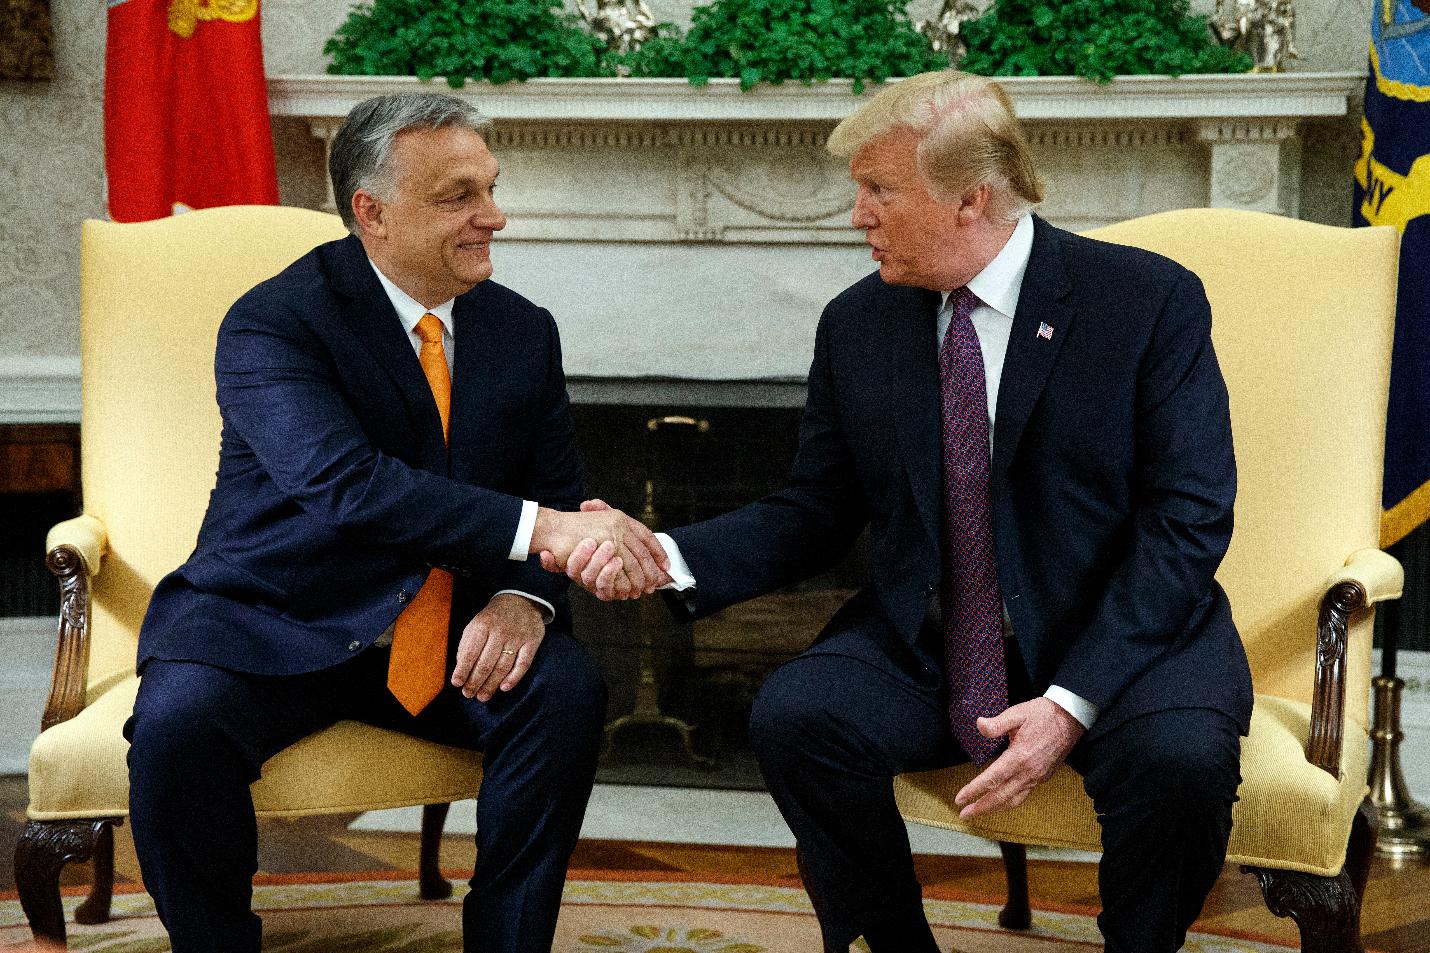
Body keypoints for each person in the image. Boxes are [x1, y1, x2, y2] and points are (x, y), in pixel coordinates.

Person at [547, 70, 1253, 953]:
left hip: (1122, 638)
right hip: (937, 642)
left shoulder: (1146, 302)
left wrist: (1071, 700)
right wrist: (665, 553)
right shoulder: (859, 324)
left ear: (972, 198)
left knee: (1179, 765)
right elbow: (814, 508)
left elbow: (1185, 521)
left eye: (877, 190)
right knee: (799, 717)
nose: (857, 216)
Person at [124, 92, 668, 953]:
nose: (494, 215)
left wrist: (527, 598)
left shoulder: (523, 331)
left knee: (564, 692)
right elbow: (349, 486)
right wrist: (547, 534)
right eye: (459, 196)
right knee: (176, 730)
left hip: (447, 631)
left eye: (489, 187)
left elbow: (555, 490)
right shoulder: (276, 322)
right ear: (370, 213)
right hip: (273, 616)